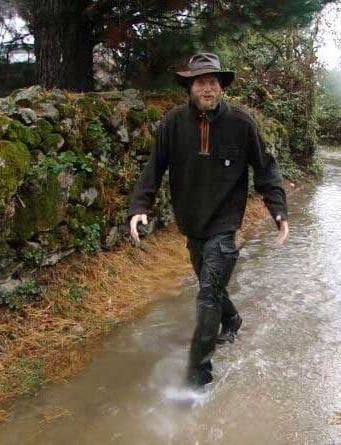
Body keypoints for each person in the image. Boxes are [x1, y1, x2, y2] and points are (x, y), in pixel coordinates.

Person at [127, 52, 289, 388]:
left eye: (213, 82)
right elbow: (153, 168)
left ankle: (196, 379)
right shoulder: (172, 124)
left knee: (206, 297)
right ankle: (232, 319)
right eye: (201, 81)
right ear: (190, 86)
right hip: (192, 223)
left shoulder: (242, 124)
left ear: (221, 87)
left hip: (225, 225)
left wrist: (278, 211)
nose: (207, 88)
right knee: (209, 283)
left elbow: (265, 169)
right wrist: (139, 204)